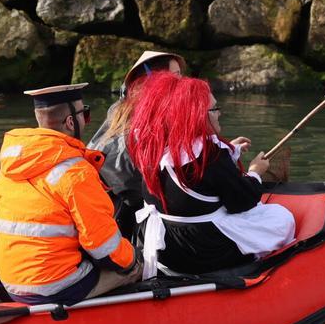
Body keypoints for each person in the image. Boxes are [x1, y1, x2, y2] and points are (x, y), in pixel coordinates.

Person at [127, 73, 296, 278]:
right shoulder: (211, 156)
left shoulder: (153, 151)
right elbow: (242, 201)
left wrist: (230, 151)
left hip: (167, 251)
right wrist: (255, 172)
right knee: (282, 217)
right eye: (214, 109)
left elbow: (199, 177)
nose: (219, 113)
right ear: (194, 115)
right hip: (204, 252)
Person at [0, 83, 142, 305]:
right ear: (71, 121)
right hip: (54, 286)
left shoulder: (11, 164)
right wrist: (134, 258)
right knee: (134, 268)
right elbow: (104, 246)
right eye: (85, 114)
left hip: (11, 281)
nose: (85, 120)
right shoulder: (76, 172)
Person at [89, 50, 185, 238]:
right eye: (176, 75)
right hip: (130, 213)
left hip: (112, 208)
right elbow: (133, 184)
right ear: (157, 80)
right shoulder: (146, 120)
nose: (182, 82)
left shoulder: (120, 107)